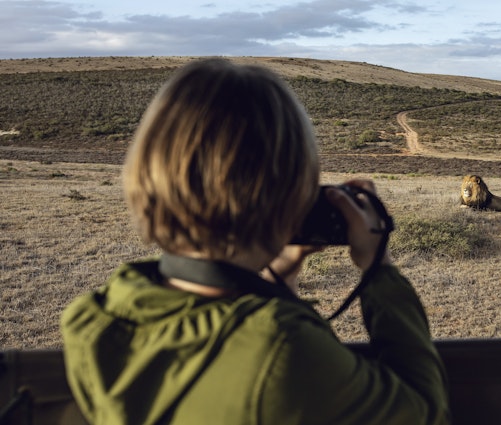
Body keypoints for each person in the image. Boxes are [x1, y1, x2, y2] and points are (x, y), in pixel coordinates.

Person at [60, 58, 450, 424]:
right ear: (290, 197)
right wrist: (377, 267)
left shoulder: (93, 319)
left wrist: (281, 271)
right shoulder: (283, 346)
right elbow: (423, 410)